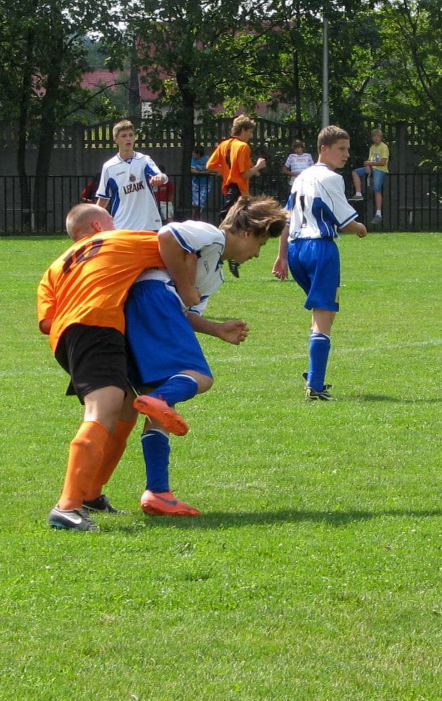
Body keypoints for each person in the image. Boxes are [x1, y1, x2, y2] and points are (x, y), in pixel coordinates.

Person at [37, 204, 198, 532]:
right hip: (98, 326)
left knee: (125, 410)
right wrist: (188, 290)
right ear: (99, 225)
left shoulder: (55, 267)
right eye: (112, 222)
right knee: (103, 411)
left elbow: (46, 321)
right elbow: (175, 245)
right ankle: (67, 506)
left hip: (68, 336)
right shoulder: (119, 240)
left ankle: (91, 493)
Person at [126, 195, 288, 515]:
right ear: (246, 232)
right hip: (153, 297)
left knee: (159, 403)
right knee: (199, 376)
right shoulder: (211, 235)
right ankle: (160, 398)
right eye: (261, 243)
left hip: (142, 309)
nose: (257, 253)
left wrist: (216, 328)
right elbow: (167, 236)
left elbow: (186, 312)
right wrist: (186, 286)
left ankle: (157, 492)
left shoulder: (215, 274)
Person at [272, 125, 367, 401]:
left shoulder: (301, 177)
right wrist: (361, 228)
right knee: (325, 316)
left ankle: (314, 373)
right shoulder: (331, 178)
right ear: (323, 149)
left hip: (296, 249)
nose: (346, 155)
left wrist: (281, 255)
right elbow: (346, 223)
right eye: (341, 149)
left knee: (319, 313)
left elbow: (286, 218)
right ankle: (315, 385)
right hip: (320, 249)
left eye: (347, 149)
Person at [206, 114, 266, 275]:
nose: (251, 136)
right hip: (239, 190)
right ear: (243, 130)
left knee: (237, 225)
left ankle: (227, 256)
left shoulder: (224, 144)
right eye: (250, 132)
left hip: (231, 188)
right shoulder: (243, 146)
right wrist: (258, 167)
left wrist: (227, 171)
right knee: (230, 225)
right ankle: (214, 256)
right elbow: (244, 174)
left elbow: (210, 165)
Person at [95, 120, 166, 230]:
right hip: (122, 225)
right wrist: (93, 219)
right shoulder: (109, 167)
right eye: (123, 136)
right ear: (116, 140)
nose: (128, 138)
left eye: (130, 135)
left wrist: (160, 178)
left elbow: (161, 176)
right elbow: (104, 197)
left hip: (148, 224)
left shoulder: (144, 160)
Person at [351, 128, 390, 225]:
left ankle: (378, 213)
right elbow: (370, 160)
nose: (376, 138)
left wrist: (369, 163)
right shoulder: (372, 148)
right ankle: (358, 193)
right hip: (373, 168)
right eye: (374, 136)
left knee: (377, 189)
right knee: (355, 172)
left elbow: (383, 162)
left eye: (378, 136)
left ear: (381, 137)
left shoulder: (383, 147)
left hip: (380, 169)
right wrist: (368, 165)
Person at [190, 145, 213, 219]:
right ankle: (194, 219)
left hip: (205, 184)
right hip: (196, 183)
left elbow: (210, 170)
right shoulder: (193, 159)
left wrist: (199, 172)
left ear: (198, 154)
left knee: (200, 202)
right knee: (195, 202)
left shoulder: (207, 159)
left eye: (194, 153)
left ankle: (199, 218)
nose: (192, 154)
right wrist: (203, 172)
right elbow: (193, 170)